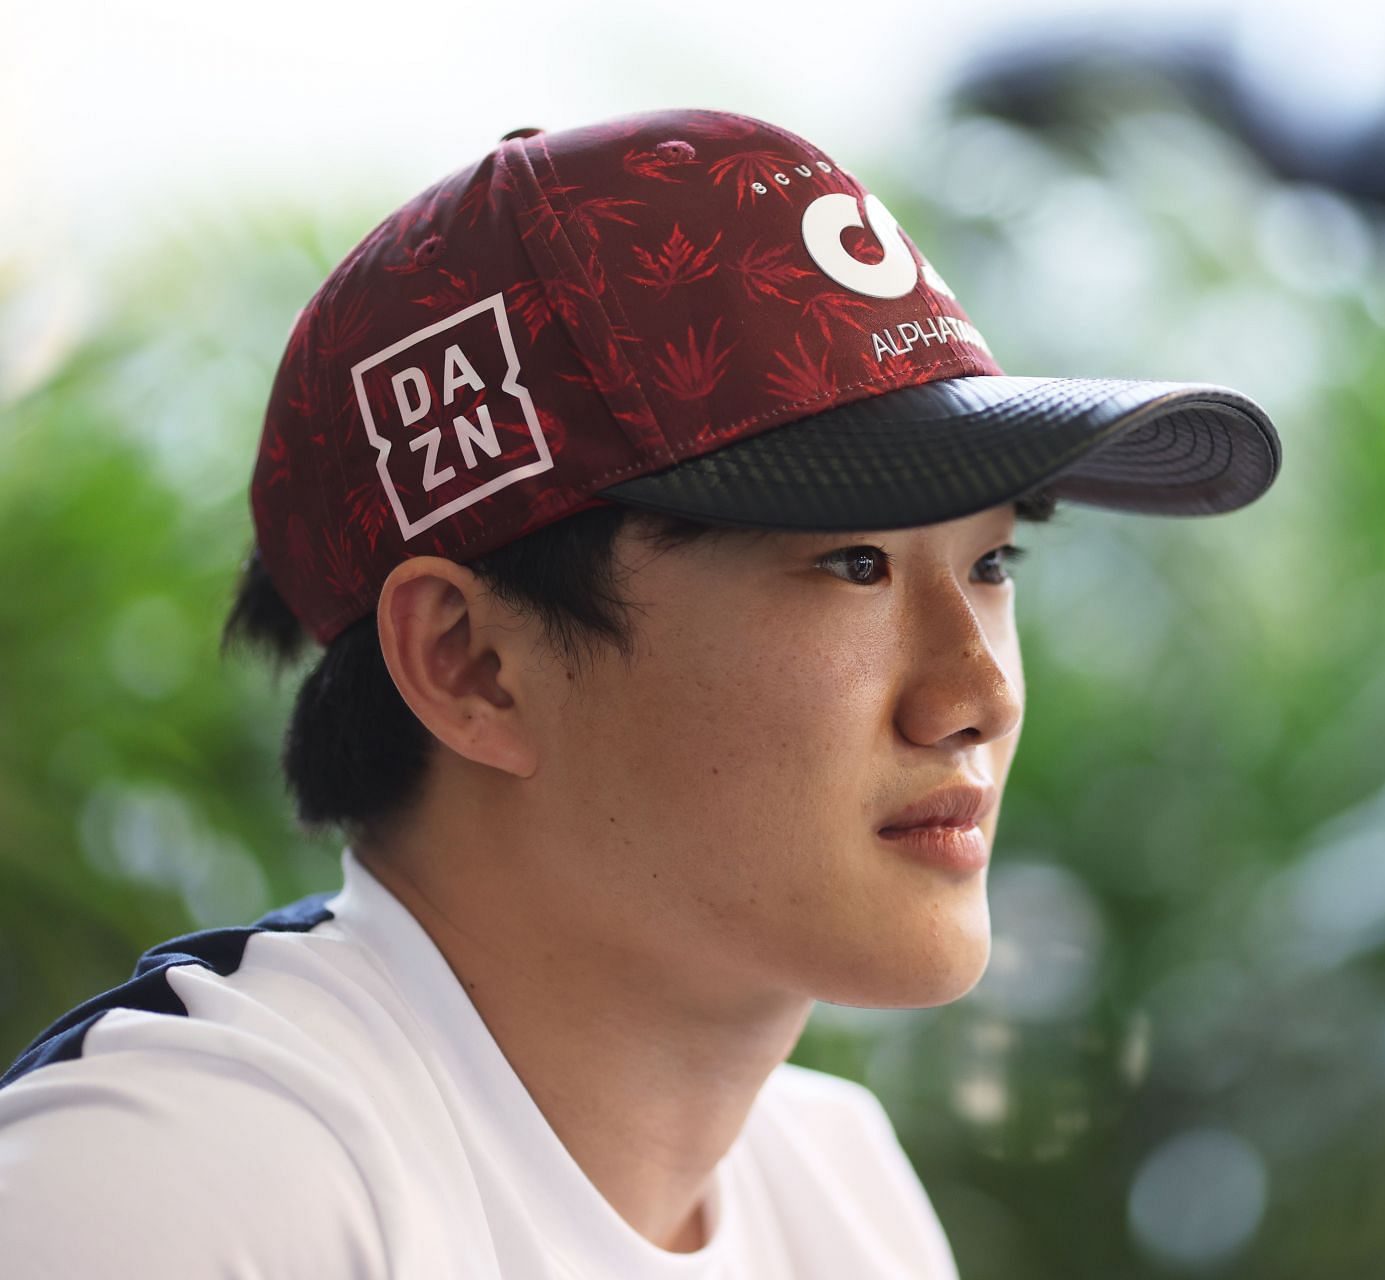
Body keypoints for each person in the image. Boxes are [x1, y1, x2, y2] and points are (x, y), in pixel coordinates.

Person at [0, 106, 1280, 1276]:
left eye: (993, 559)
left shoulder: (834, 1187)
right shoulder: (182, 1185)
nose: (977, 691)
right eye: (852, 562)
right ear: (472, 662)